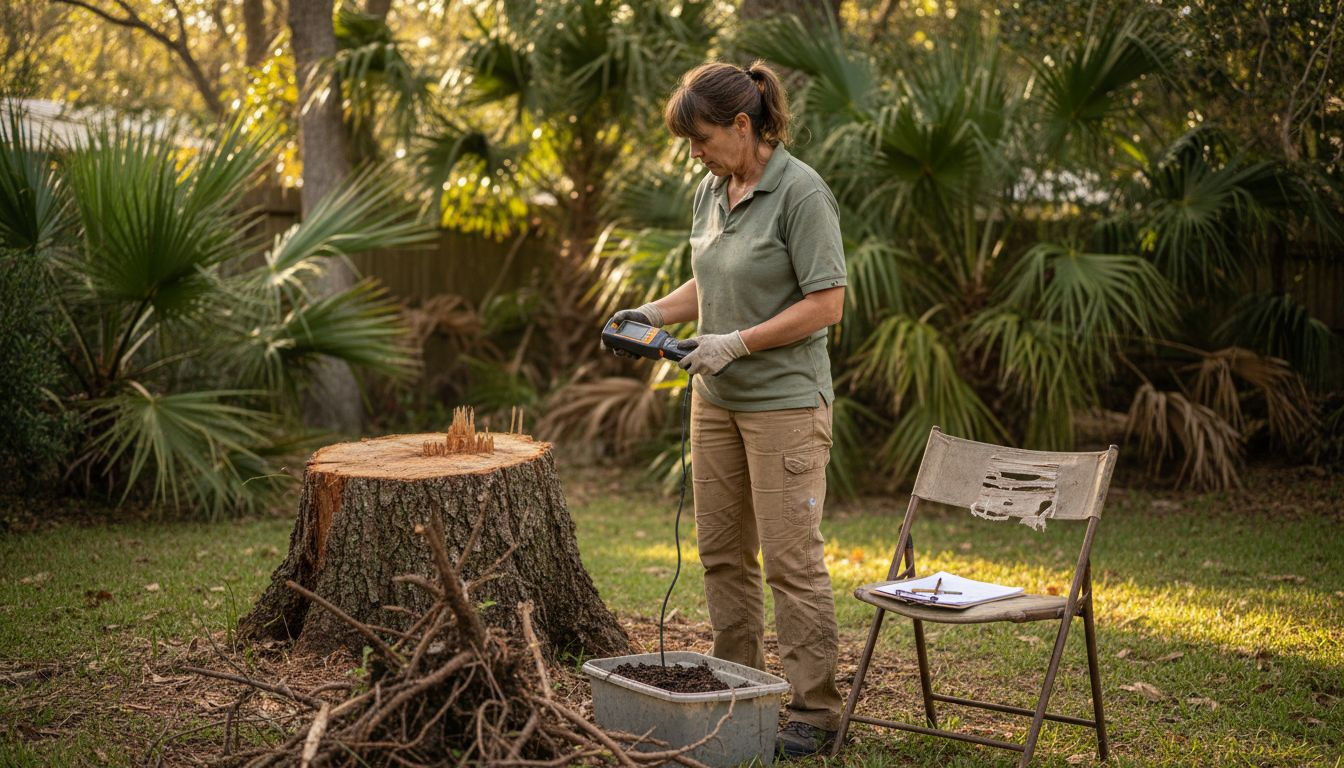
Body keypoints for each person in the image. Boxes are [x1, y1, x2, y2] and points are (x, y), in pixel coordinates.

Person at [607, 60, 847, 759]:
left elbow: (826, 302)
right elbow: (708, 280)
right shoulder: (712, 190)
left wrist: (735, 343)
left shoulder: (801, 193)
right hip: (715, 403)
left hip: (785, 405)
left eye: (703, 137)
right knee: (721, 556)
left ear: (743, 126)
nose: (694, 152)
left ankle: (815, 712)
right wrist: (648, 313)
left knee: (791, 564)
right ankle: (738, 689)